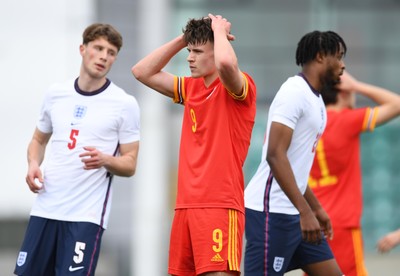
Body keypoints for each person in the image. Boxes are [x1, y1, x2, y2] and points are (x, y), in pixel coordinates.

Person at [132, 14, 256, 276]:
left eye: (198, 52)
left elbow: (224, 62)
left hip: (219, 205)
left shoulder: (239, 87)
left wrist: (219, 31)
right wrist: (183, 39)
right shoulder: (191, 88)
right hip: (185, 206)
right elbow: (141, 71)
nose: (189, 58)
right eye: (190, 51)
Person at [14, 23, 140, 276]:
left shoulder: (124, 104)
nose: (105, 56)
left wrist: (105, 159)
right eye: (99, 48)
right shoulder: (55, 94)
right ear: (83, 49)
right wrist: (33, 164)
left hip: (85, 217)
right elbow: (38, 140)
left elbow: (130, 164)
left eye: (112, 52)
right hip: (45, 209)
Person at [244, 30, 346, 276]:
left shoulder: (316, 99)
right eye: (339, 57)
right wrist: (305, 212)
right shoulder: (293, 92)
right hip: (270, 212)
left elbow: (295, 166)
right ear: (321, 56)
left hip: (296, 212)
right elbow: (275, 155)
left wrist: (316, 208)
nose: (343, 66)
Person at [308, 71, 400, 276]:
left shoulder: (307, 124)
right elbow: (397, 104)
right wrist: (357, 86)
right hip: (341, 225)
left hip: (311, 227)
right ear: (342, 91)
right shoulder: (347, 120)